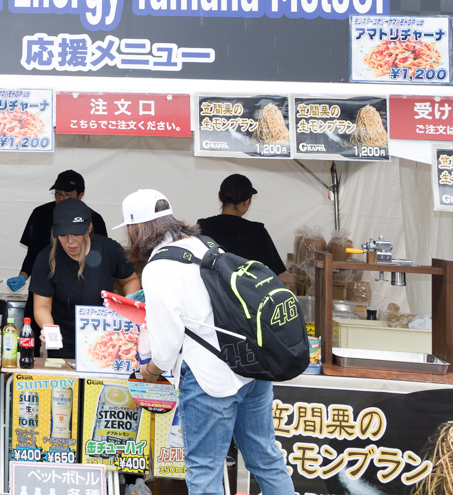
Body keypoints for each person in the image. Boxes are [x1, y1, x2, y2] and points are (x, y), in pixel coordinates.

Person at [121, 189, 294, 495]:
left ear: (137, 229)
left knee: (204, 470)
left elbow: (165, 349)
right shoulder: (204, 244)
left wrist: (148, 371)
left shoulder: (158, 268)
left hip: (210, 380)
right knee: (265, 458)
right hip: (252, 368)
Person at [29, 198, 137, 359]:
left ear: (89, 228)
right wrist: (49, 329)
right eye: (63, 235)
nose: (70, 241)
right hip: (64, 343)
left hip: (107, 340)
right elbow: (42, 306)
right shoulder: (46, 259)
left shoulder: (110, 249)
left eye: (77, 233)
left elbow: (130, 280)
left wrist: (128, 311)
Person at [18, 170, 107, 277]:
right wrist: (23, 276)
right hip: (45, 277)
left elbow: (99, 255)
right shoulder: (40, 214)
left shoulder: (94, 219)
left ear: (80, 195)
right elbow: (33, 252)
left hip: (80, 278)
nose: (61, 199)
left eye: (67, 195)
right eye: (58, 193)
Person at [196, 174, 286, 273]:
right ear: (246, 202)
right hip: (246, 288)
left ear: (220, 197)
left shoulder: (202, 227)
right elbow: (280, 276)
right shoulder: (257, 232)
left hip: (209, 288)